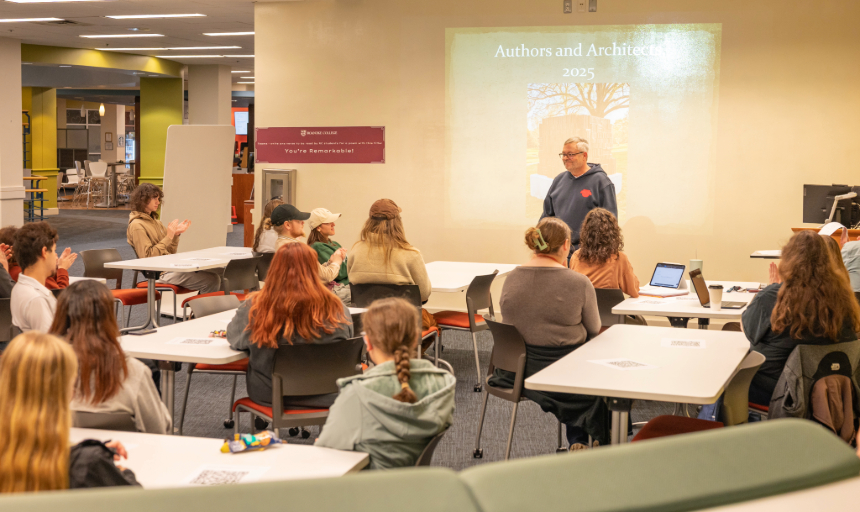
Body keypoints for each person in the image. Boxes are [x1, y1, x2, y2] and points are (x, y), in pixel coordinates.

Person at [489, 217, 608, 449]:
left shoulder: (511, 277)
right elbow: (594, 328)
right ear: (566, 245)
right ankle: (590, 441)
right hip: (561, 372)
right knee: (598, 378)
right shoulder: (579, 282)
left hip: (513, 372)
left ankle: (582, 440)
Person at [316, 298, 455, 469]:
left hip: (367, 490)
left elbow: (326, 453)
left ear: (367, 342)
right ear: (415, 340)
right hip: (417, 486)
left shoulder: (356, 394)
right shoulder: (443, 384)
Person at [0, 332, 138, 492]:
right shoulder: (87, 465)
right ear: (63, 392)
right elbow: (137, 502)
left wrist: (88, 450)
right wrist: (117, 471)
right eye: (72, 384)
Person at [226, 243, 353, 406]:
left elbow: (235, 339)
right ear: (314, 269)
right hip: (329, 392)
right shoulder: (337, 307)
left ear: (274, 269)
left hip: (272, 392)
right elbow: (347, 341)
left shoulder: (255, 307)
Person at [743, 230, 860, 407]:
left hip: (775, 392)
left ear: (788, 260)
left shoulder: (772, 297)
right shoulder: (845, 300)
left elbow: (749, 333)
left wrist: (772, 288)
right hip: (829, 394)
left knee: (727, 377)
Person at [49, 280, 171, 434]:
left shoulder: (43, 367)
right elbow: (158, 430)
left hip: (62, 454)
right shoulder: (133, 371)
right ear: (109, 318)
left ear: (61, 315)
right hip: (126, 455)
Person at [126, 183, 221, 293]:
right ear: (143, 200)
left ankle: (210, 309)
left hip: (170, 267)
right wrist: (168, 237)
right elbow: (147, 258)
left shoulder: (156, 222)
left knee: (220, 273)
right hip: (159, 273)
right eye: (154, 198)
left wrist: (175, 236)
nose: (158, 202)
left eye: (158, 198)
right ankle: (202, 309)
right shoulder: (137, 225)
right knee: (212, 280)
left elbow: (170, 252)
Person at [540, 137, 618, 261]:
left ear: (584, 155)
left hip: (588, 256)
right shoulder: (558, 180)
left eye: (570, 154)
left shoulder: (601, 182)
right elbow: (547, 216)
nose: (565, 158)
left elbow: (609, 224)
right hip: (558, 254)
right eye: (563, 154)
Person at [347, 199, 431, 302]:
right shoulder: (412, 254)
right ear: (398, 222)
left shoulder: (356, 250)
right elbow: (423, 295)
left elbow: (351, 285)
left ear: (369, 221)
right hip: (402, 316)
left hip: (364, 316)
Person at [569, 207, 639, 297]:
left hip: (583, 310)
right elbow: (633, 290)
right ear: (613, 233)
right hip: (610, 310)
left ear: (586, 232)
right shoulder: (619, 258)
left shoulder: (576, 256)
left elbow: (573, 289)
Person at [270, 204, 345, 283]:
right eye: (299, 221)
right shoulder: (297, 248)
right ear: (288, 225)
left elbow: (313, 273)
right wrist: (337, 262)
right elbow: (326, 276)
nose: (303, 223)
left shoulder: (280, 244)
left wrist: (329, 263)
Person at [10, 222, 61, 332]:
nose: (56, 257)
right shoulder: (37, 299)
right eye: (54, 250)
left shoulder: (19, 288)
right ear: (44, 252)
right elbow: (48, 345)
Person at [0, 226, 76, 290]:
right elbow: (61, 296)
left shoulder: (6, 272)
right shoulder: (28, 273)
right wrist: (62, 270)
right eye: (53, 251)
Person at [308, 207, 351, 304]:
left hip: (345, 287)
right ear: (318, 227)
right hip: (338, 289)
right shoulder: (318, 247)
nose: (334, 224)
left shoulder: (334, 244)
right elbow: (340, 274)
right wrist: (346, 263)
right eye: (329, 222)